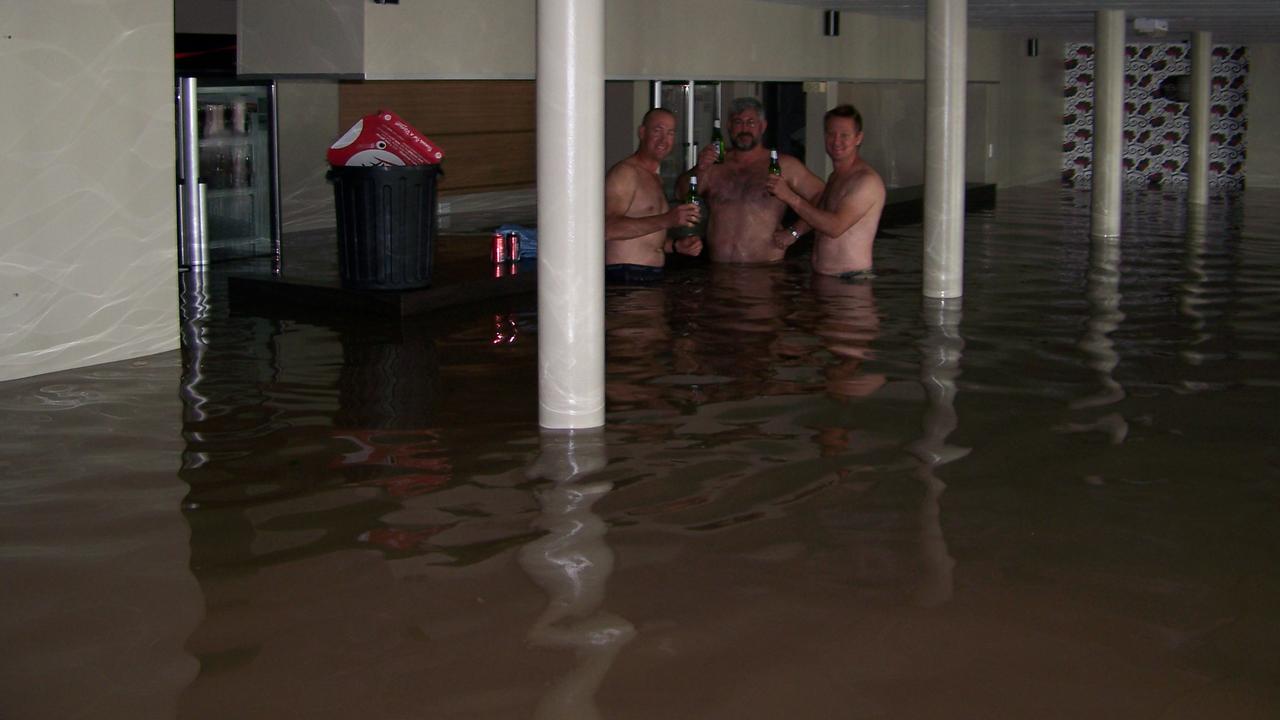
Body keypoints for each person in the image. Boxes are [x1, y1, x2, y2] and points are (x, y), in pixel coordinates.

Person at [679, 97, 825, 264]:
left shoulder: (783, 165)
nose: (744, 128)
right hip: (719, 272)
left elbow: (822, 196)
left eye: (751, 122)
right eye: (738, 122)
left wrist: (795, 232)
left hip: (765, 271)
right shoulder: (714, 166)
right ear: (729, 127)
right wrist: (700, 168)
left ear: (762, 127)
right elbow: (681, 193)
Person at [766, 104, 885, 278]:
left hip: (851, 281)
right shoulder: (836, 177)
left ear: (858, 138)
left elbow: (834, 227)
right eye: (831, 133)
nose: (836, 141)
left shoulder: (866, 181)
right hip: (828, 279)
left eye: (844, 135)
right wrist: (794, 232)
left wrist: (790, 197)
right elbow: (821, 212)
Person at [604, 108, 703, 283]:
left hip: (648, 275)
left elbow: (644, 237)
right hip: (625, 276)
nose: (664, 140)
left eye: (670, 133)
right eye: (657, 131)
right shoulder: (625, 173)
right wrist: (668, 219)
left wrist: (675, 245)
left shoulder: (654, 177)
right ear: (642, 132)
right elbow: (607, 229)